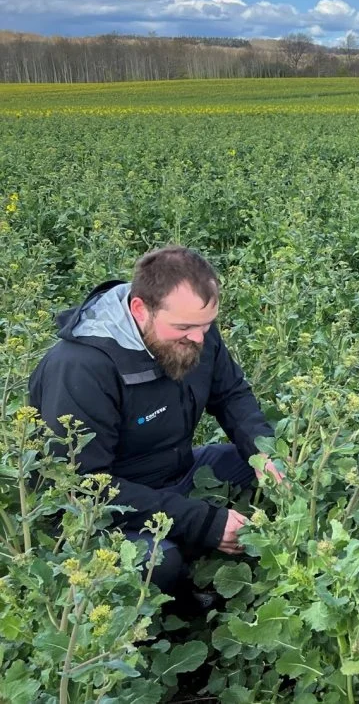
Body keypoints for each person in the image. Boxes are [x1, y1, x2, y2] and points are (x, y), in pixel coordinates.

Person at [30, 245, 281, 595]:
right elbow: (85, 487)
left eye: (206, 325)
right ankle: (175, 614)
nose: (198, 338)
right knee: (156, 561)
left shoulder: (196, 332)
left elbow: (231, 394)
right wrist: (205, 521)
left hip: (176, 473)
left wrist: (265, 452)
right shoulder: (81, 367)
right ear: (140, 309)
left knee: (272, 472)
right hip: (106, 512)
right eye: (184, 327)